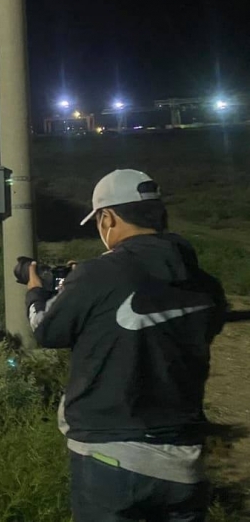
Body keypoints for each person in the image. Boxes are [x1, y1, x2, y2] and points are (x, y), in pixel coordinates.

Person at [25, 169, 227, 522]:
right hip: (184, 462)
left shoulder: (99, 274)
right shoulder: (204, 282)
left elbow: (47, 331)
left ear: (107, 218)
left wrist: (35, 290)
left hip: (111, 458)